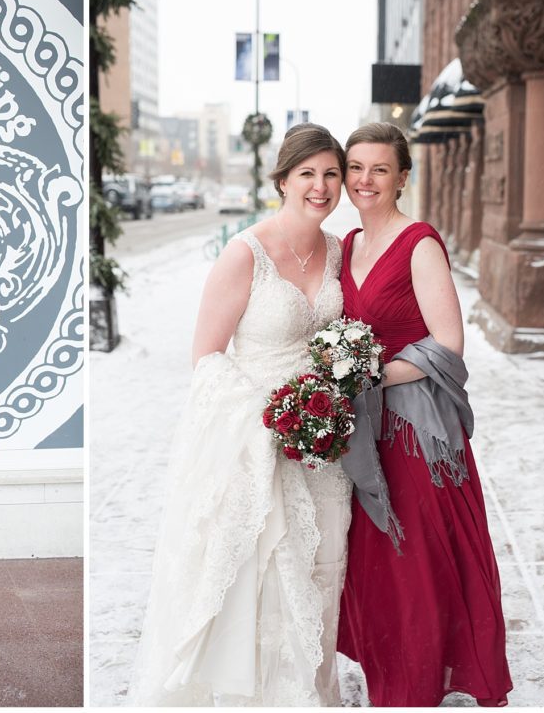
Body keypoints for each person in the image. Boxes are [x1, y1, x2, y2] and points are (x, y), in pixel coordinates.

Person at [132, 124, 353, 705]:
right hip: (256, 442)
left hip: (325, 448)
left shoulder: (339, 251)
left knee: (322, 572)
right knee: (263, 581)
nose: (321, 186)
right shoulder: (244, 254)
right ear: (282, 181)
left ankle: (311, 695)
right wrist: (269, 417)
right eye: (307, 173)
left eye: (331, 174)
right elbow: (206, 358)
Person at [335, 122, 513, 706]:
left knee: (416, 552)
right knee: (377, 554)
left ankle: (419, 680)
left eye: (380, 169)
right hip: (365, 424)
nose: (365, 180)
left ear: (402, 178)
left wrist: (368, 375)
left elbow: (448, 343)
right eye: (356, 167)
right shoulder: (346, 245)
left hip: (414, 425)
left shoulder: (420, 244)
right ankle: (390, 665)